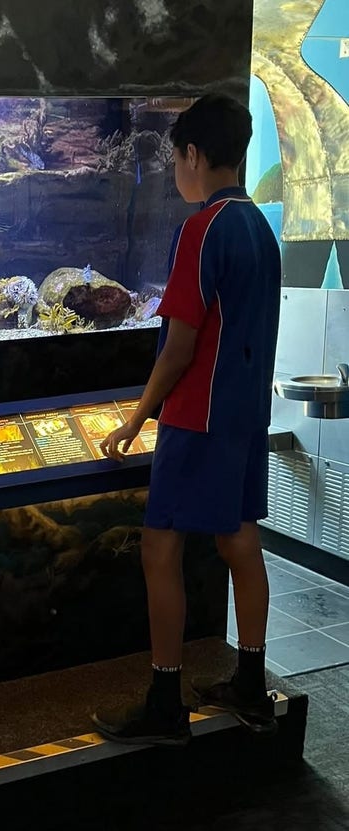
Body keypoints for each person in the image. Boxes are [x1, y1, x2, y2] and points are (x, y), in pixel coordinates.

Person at [90, 93, 282, 747]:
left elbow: (178, 346)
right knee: (239, 540)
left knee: (159, 546)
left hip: (197, 416)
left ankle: (165, 700)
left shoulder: (202, 230)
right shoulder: (259, 227)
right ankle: (252, 687)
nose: (177, 169)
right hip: (245, 414)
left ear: (193, 156)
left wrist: (137, 418)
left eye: (176, 157)